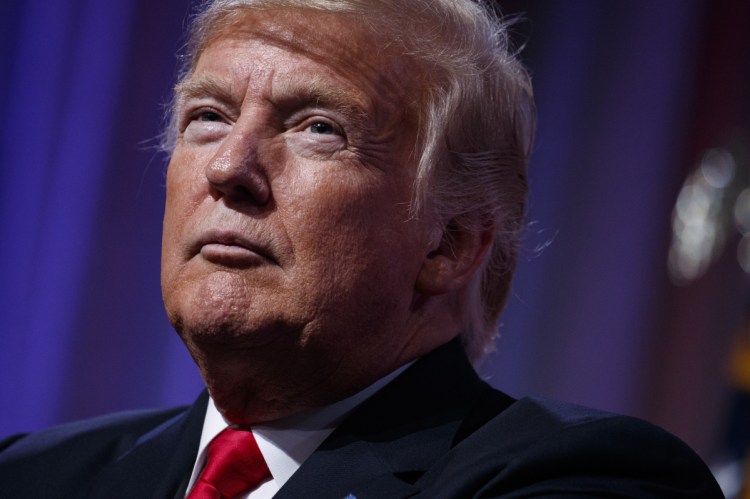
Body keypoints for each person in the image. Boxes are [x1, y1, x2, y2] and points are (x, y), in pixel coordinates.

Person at [0, 0, 723, 497]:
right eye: (209, 116)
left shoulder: (586, 475)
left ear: (449, 242)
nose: (229, 167)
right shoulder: (33, 474)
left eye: (318, 127)